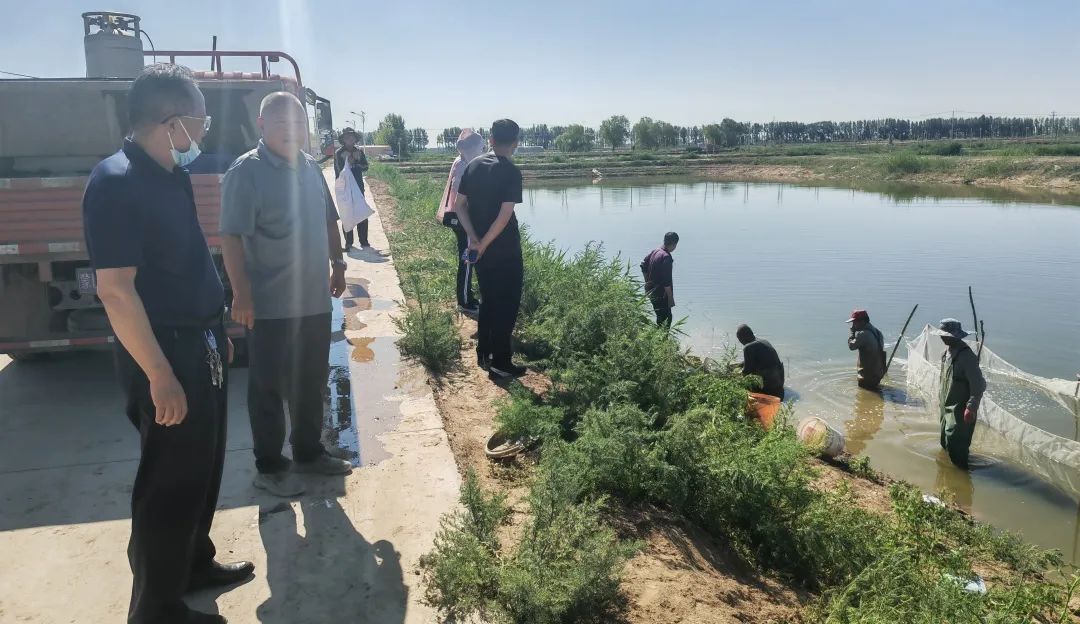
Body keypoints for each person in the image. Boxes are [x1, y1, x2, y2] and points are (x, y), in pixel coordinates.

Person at [82, 63, 251, 624]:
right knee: (168, 482)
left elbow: (187, 258)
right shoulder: (117, 182)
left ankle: (192, 565)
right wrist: (159, 374)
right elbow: (116, 291)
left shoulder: (165, 173)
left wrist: (217, 326)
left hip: (197, 341)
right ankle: (156, 608)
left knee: (201, 468)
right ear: (172, 122)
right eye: (199, 123)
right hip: (165, 352)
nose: (201, 136)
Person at [220, 91, 353, 498]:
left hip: (312, 300)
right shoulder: (247, 172)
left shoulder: (311, 167)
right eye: (282, 126)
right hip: (268, 305)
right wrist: (240, 293)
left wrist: (339, 264)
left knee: (310, 381)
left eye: (299, 126)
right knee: (268, 387)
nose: (292, 133)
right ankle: (270, 465)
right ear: (262, 126)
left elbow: (330, 220)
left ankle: (310, 454)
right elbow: (231, 237)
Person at [454, 119, 526, 382]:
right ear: (515, 143)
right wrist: (484, 243)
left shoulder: (473, 166)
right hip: (505, 249)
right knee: (506, 305)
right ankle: (501, 364)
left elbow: (459, 205)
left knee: (488, 299)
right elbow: (504, 216)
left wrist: (474, 239)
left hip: (479, 249)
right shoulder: (511, 172)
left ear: (491, 140)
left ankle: (484, 353)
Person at [437, 129, 486, 315]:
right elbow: (460, 199)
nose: (481, 152)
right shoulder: (463, 165)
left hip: (458, 217)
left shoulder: (462, 162)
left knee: (467, 259)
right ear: (470, 148)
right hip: (459, 218)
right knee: (467, 260)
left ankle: (467, 296)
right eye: (479, 148)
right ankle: (465, 301)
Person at [934, 318, 986, 469]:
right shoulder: (947, 353)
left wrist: (971, 407)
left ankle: (961, 478)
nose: (942, 337)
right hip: (947, 406)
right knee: (945, 442)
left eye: (945, 335)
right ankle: (946, 479)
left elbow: (979, 384)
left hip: (960, 409)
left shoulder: (967, 357)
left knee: (957, 445)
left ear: (954, 336)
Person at [333, 127, 370, 249]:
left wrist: (356, 163)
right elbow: (339, 171)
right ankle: (349, 243)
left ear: (355, 139)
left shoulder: (359, 152)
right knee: (346, 213)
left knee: (361, 212)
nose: (350, 139)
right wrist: (349, 162)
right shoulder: (339, 153)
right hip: (344, 188)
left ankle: (364, 241)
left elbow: (365, 167)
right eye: (347, 137)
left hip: (358, 187)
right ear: (343, 139)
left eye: (352, 137)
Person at [735, 324, 785, 399]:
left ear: (742, 338)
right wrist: (738, 365)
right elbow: (759, 361)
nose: (740, 342)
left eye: (739, 339)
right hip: (779, 384)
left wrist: (736, 376)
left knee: (740, 385)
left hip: (768, 389)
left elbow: (746, 372)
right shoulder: (764, 341)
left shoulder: (748, 347)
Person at [641, 232, 679, 327]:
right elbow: (667, 281)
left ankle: (657, 339)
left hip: (652, 292)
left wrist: (647, 283)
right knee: (666, 319)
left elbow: (643, 265)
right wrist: (670, 299)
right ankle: (661, 340)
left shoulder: (656, 251)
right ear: (674, 244)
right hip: (661, 295)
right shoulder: (666, 257)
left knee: (660, 317)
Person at [846, 309, 886, 390]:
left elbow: (851, 346)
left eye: (854, 322)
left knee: (863, 397)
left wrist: (852, 333)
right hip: (877, 375)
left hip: (866, 378)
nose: (853, 325)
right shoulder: (877, 332)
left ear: (862, 321)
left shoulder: (864, 334)